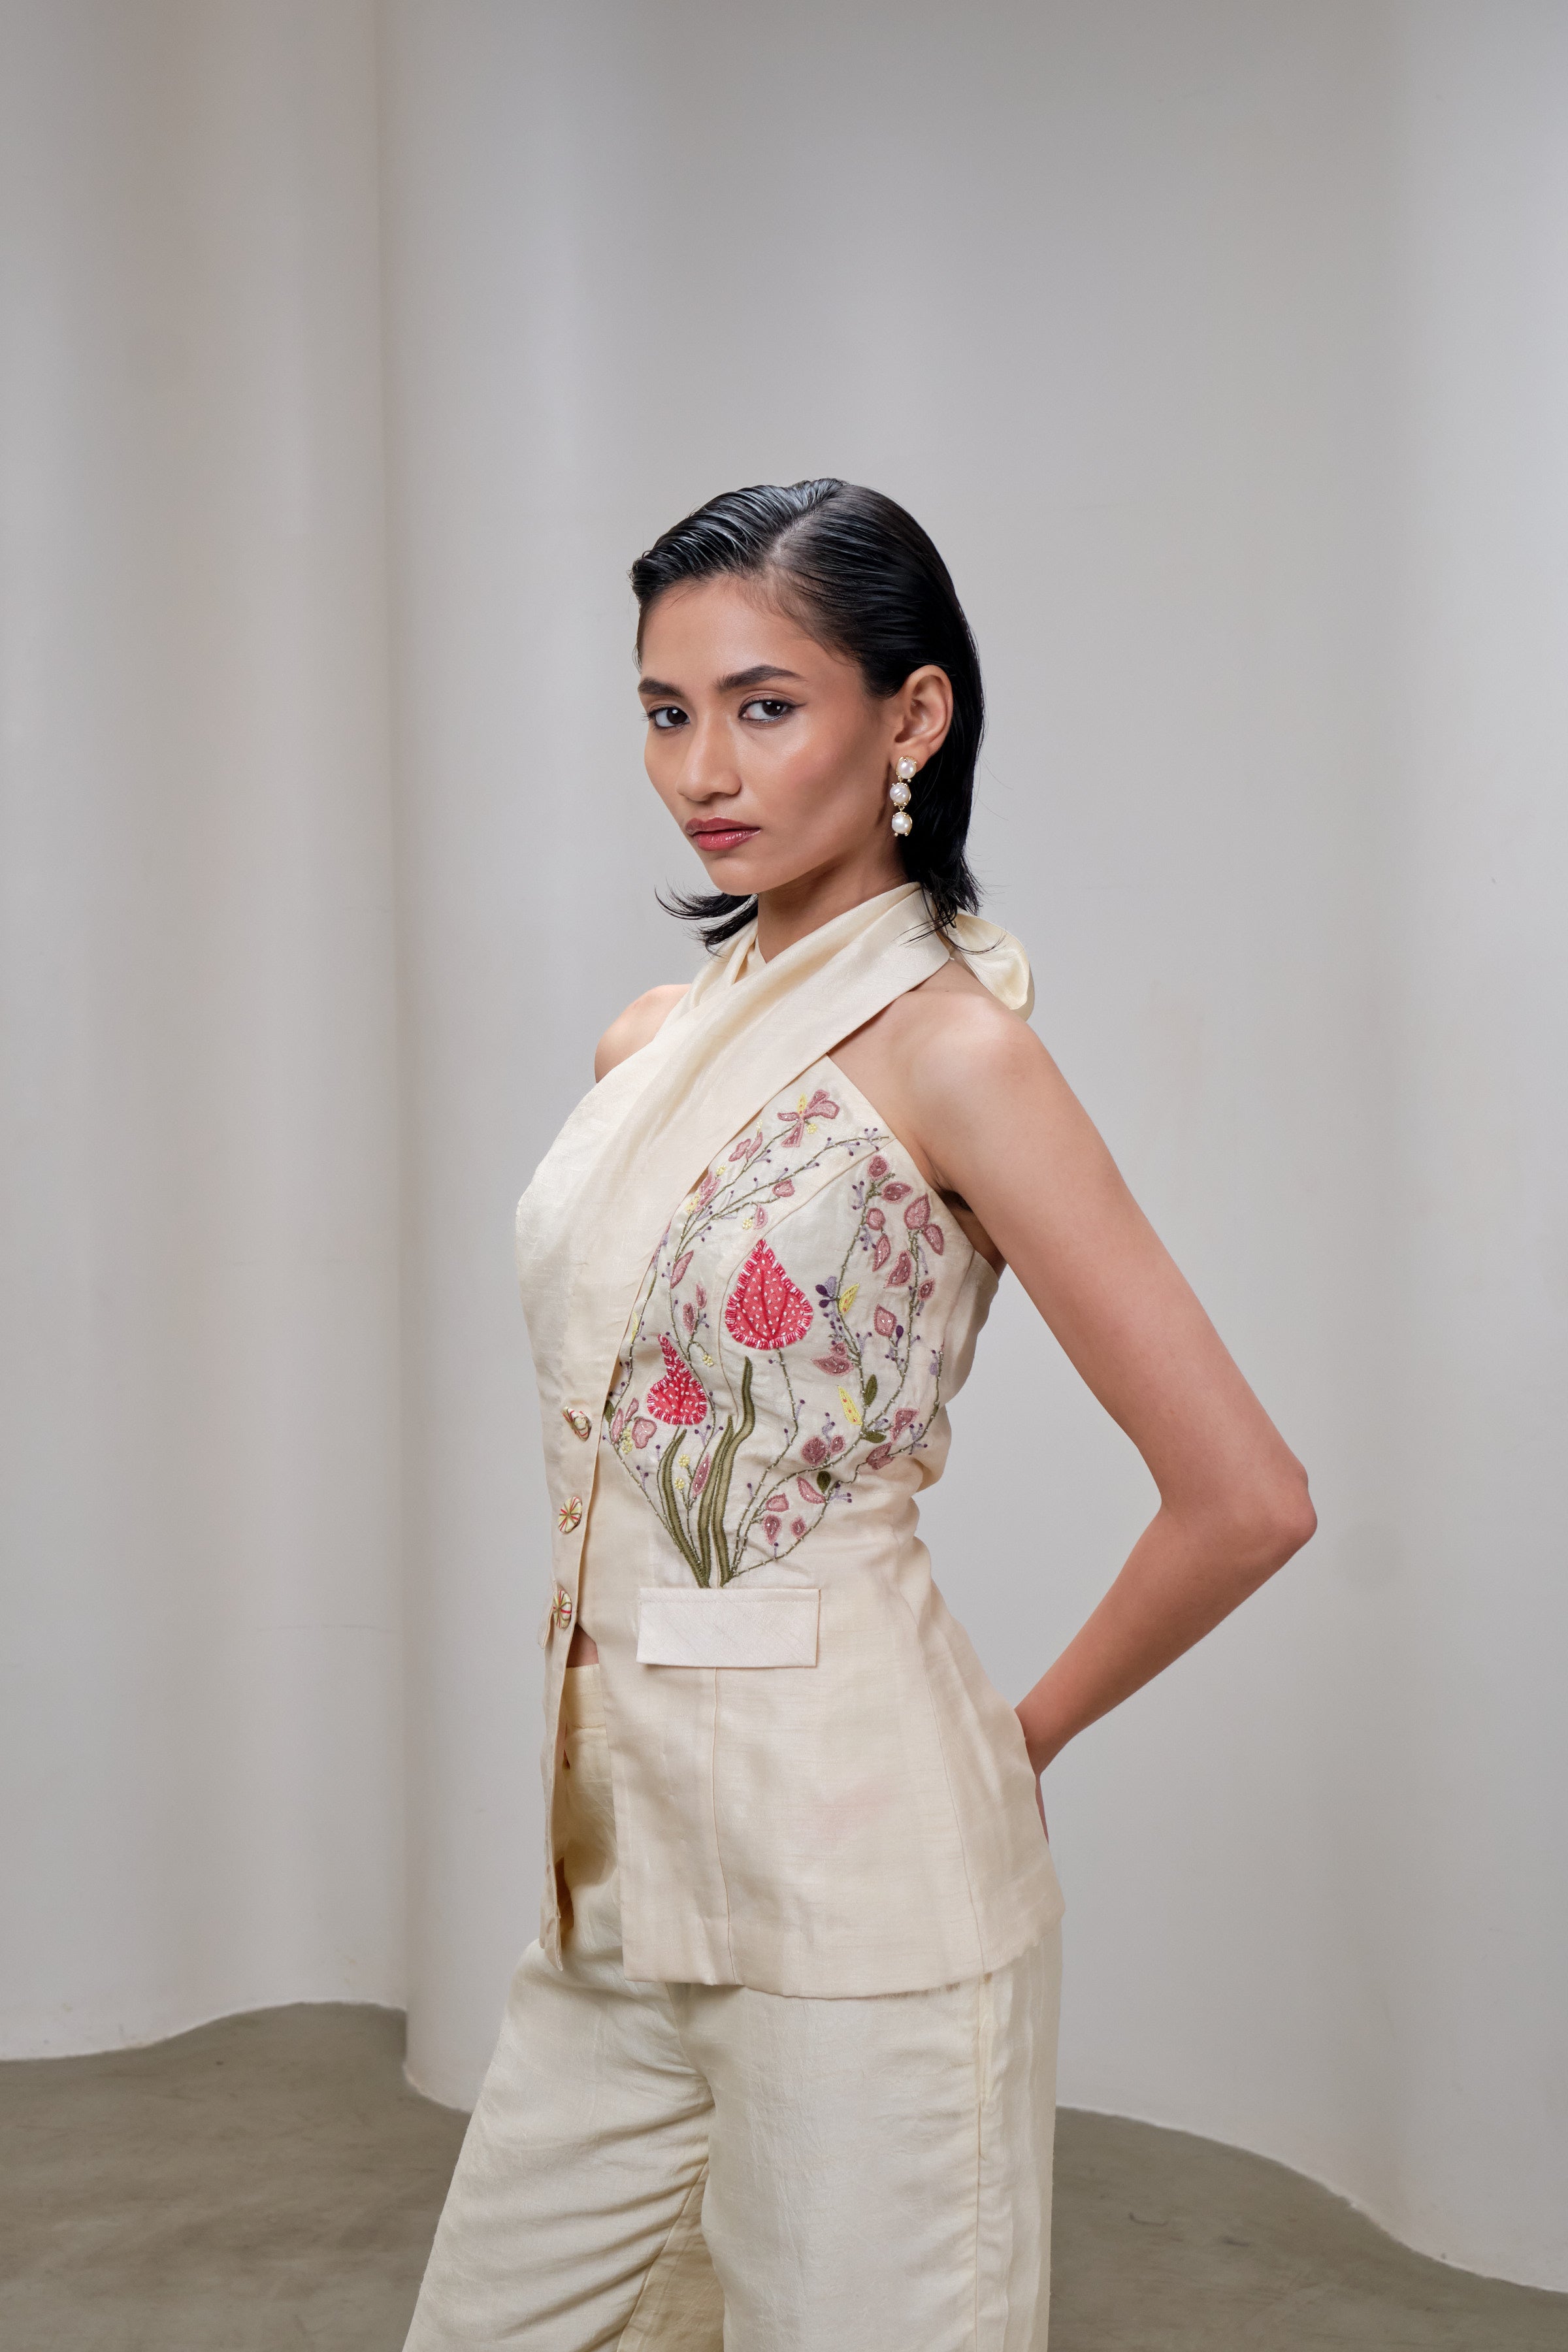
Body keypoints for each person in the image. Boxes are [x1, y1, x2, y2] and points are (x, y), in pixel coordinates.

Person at [404, 480, 1315, 2352]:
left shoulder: (959, 1055)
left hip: (865, 1887)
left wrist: (1012, 1745)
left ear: (912, 717)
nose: (702, 770)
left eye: (766, 705)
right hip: (615, 1880)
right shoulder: (648, 1043)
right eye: (666, 711)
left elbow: (1247, 1498)